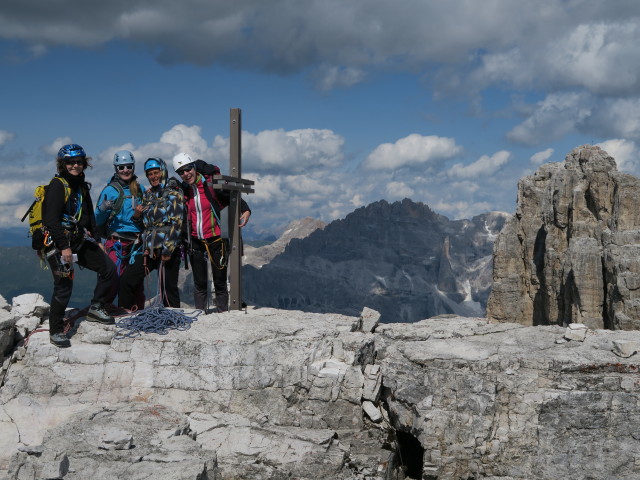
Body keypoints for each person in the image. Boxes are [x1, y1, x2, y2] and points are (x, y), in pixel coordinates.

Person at [42, 144, 116, 348]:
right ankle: (55, 330)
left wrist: (99, 242)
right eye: (70, 162)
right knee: (64, 286)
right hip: (58, 244)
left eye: (78, 162)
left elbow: (90, 216)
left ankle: (96, 307)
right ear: (63, 164)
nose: (75, 165)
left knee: (109, 269)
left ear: (84, 163)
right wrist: (64, 246)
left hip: (79, 241)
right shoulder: (58, 185)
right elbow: (50, 220)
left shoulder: (82, 186)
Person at [173, 152, 251, 312]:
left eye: (188, 169)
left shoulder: (211, 183)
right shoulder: (184, 190)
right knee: (199, 284)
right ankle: (199, 317)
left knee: (220, 282)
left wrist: (245, 209)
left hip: (216, 239)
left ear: (194, 167)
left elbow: (232, 193)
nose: (186, 174)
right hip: (195, 241)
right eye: (181, 172)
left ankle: (222, 316)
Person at [118, 158, 185, 309]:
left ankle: (174, 321)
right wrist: (136, 215)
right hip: (149, 249)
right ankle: (124, 314)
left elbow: (177, 223)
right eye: (150, 174)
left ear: (163, 172)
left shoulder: (173, 194)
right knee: (127, 280)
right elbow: (146, 225)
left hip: (168, 250)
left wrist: (168, 250)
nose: (153, 176)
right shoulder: (148, 196)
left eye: (156, 172)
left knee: (168, 289)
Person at [94, 150, 145, 309]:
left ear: (133, 167)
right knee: (112, 279)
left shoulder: (140, 189)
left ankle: (135, 312)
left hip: (136, 243)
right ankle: (103, 309)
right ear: (116, 169)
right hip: (116, 242)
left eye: (128, 166)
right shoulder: (109, 191)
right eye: (121, 167)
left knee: (135, 283)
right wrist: (103, 209)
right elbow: (97, 220)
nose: (125, 170)